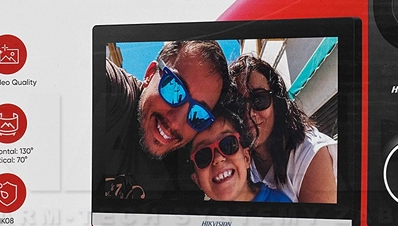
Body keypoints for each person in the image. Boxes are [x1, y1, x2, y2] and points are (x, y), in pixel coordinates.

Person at [102, 40, 229, 200]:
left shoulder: (183, 177)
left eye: (198, 114)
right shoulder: (116, 95)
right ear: (150, 75)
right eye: (174, 89)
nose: (175, 123)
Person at [229, 55, 337, 203]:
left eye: (259, 99)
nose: (249, 114)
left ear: (277, 102)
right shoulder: (240, 158)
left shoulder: (309, 153)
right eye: (238, 105)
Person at [188, 102, 293, 203]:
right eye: (204, 155)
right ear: (197, 180)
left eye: (228, 144)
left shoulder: (280, 206)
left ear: (246, 157)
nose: (218, 158)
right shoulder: (197, 215)